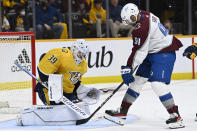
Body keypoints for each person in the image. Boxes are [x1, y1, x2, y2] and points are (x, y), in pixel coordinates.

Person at [105, 3, 185, 129]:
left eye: (129, 19)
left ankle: (176, 115)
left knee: (157, 84)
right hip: (152, 51)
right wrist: (130, 68)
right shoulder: (144, 14)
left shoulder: (141, 29)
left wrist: (128, 68)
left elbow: (139, 51)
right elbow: (141, 50)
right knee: (138, 80)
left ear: (134, 15)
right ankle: (122, 112)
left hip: (164, 52)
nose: (129, 22)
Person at [16, 39, 101, 126]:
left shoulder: (83, 65)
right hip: (47, 90)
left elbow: (76, 84)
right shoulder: (61, 55)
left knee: (79, 106)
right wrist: (48, 83)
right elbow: (43, 68)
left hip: (67, 94)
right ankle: (25, 117)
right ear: (74, 49)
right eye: (80, 53)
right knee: (59, 106)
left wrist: (81, 92)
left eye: (84, 54)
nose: (82, 56)